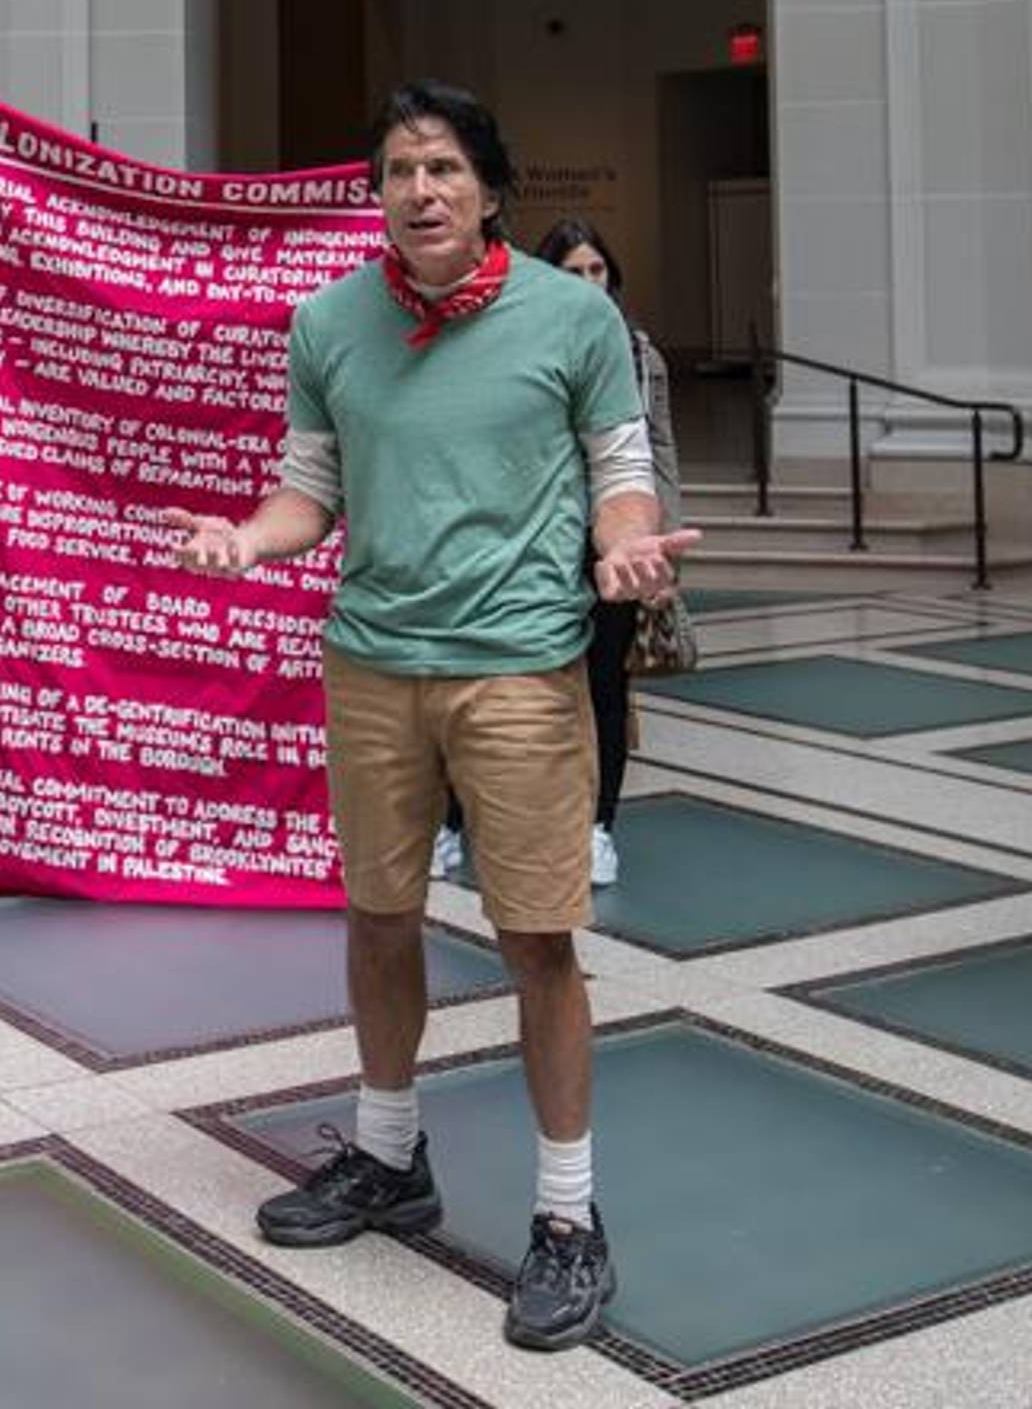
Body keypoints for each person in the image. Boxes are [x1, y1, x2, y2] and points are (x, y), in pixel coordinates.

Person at [163, 81, 692, 1354]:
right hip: (374, 664)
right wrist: (244, 540)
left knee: (535, 941)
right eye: (400, 169)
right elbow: (310, 492)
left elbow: (620, 479)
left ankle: (567, 1217)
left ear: (491, 188)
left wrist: (625, 551)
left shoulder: (574, 318)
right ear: (379, 193)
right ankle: (391, 1156)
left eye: (446, 166)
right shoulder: (330, 322)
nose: (422, 189)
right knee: (380, 913)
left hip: (517, 669)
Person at [541, 218, 680, 887]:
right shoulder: (523, 345)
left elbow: (662, 454)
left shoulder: (639, 353)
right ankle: (457, 824)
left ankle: (598, 827)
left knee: (605, 689)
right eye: (574, 272)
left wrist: (658, 552)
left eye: (598, 271)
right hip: (539, 544)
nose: (591, 283)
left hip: (617, 544)